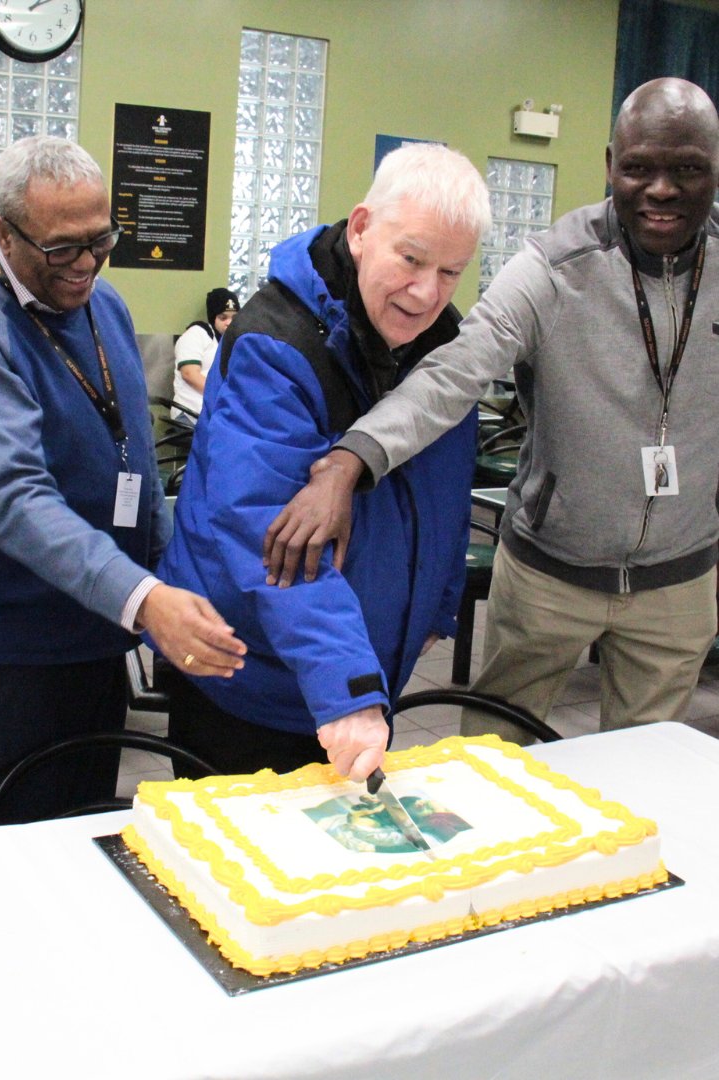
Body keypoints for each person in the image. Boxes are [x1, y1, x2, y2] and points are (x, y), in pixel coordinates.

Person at [262, 77, 719, 742]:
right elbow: (453, 371)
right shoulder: (555, 266)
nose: (661, 190)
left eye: (688, 169)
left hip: (680, 579)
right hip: (549, 572)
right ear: (610, 165)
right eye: (639, 167)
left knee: (646, 768)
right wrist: (351, 457)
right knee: (495, 758)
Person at [0, 135, 246, 828]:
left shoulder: (107, 305)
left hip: (96, 628)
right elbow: (17, 502)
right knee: (9, 846)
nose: (86, 263)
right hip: (4, 651)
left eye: (102, 240)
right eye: (63, 247)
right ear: (2, 232)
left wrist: (167, 577)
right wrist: (146, 598)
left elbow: (137, 464)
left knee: (83, 825)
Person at [154, 143, 491, 782]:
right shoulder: (275, 341)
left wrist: (437, 606)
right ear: (362, 230)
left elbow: (448, 495)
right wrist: (349, 686)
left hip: (355, 679)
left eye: (451, 272)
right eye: (411, 259)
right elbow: (266, 532)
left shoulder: (446, 347)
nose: (426, 294)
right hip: (251, 678)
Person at [170, 287, 240, 424]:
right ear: (213, 317)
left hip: (216, 415)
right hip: (191, 414)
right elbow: (189, 374)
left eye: (234, 317)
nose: (229, 322)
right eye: (223, 317)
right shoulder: (197, 334)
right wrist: (224, 394)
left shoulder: (232, 342)